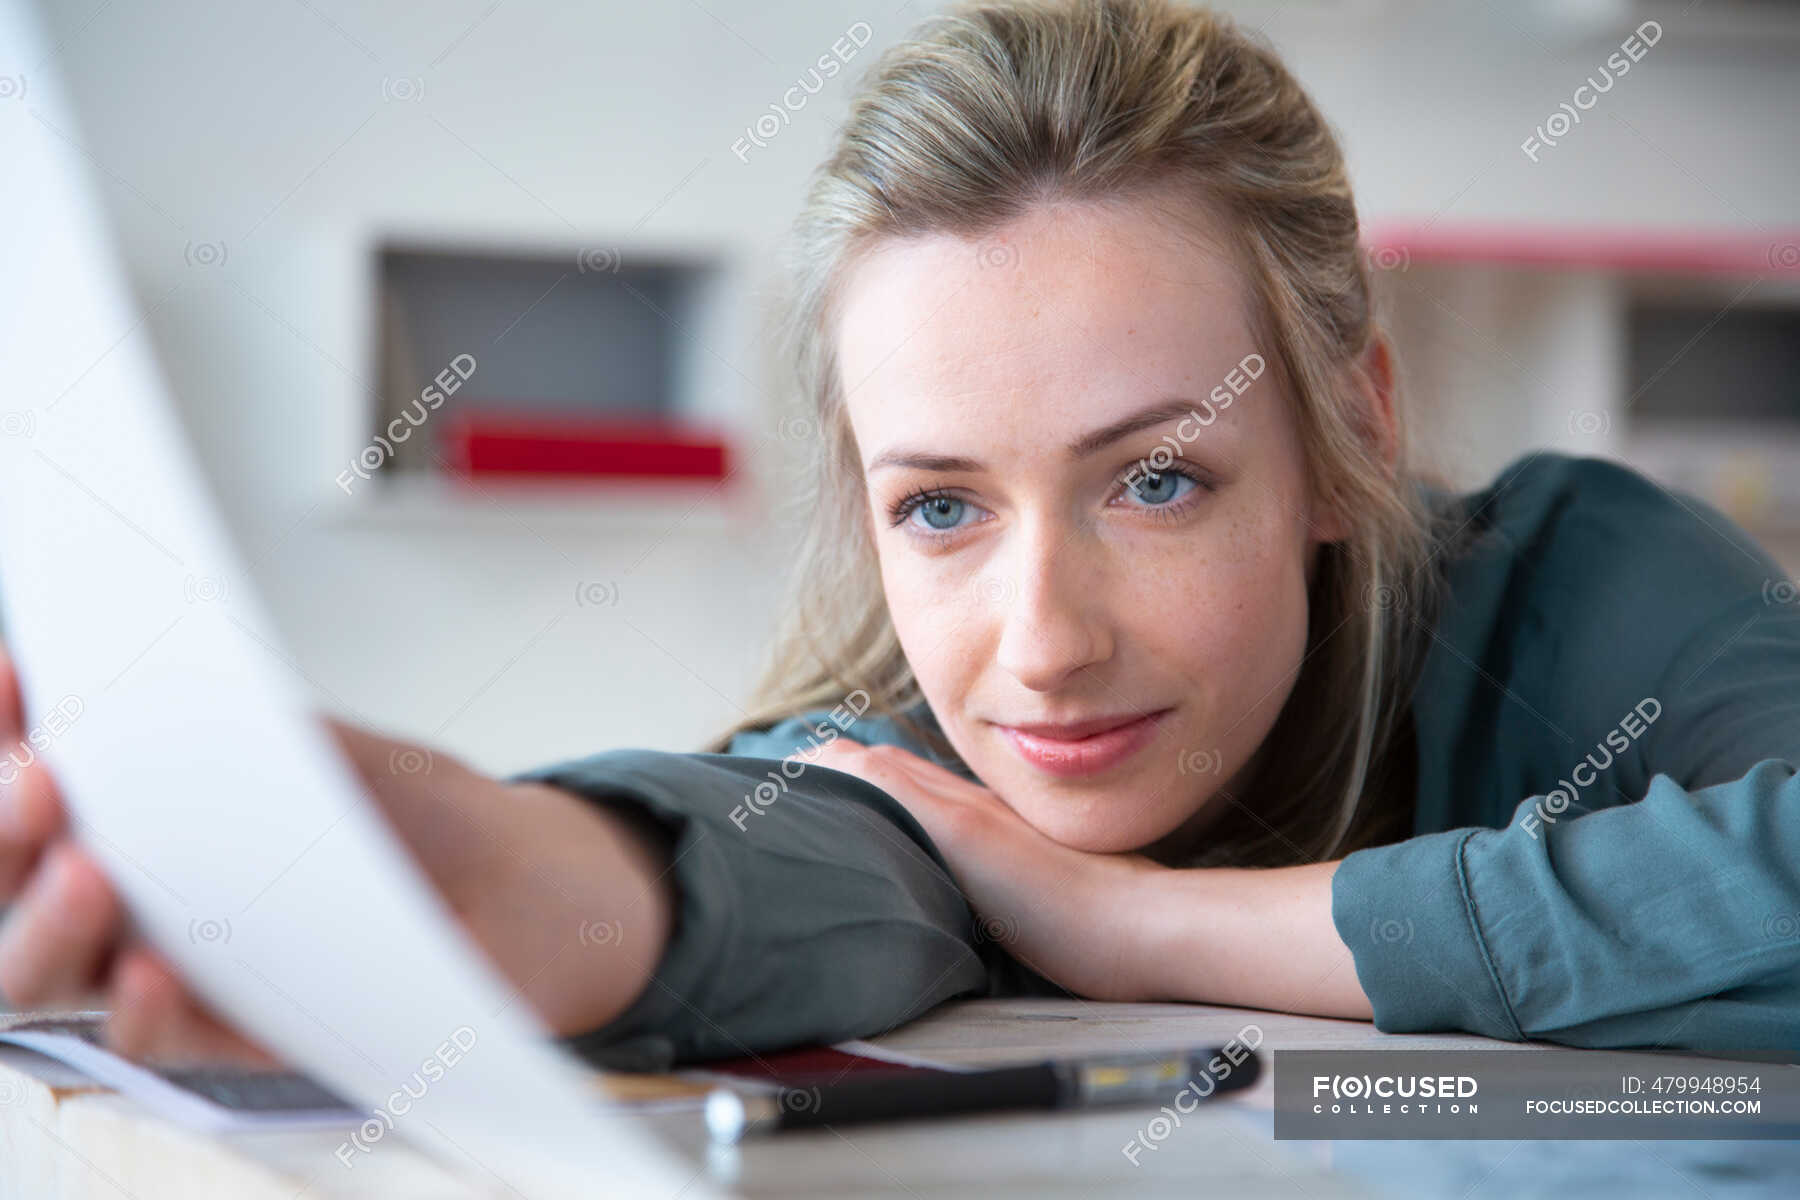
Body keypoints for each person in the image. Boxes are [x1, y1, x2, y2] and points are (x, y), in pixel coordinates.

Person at [3, 0, 1798, 1072]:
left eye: (1155, 478)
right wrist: (436, 863)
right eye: (940, 505)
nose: (1042, 645)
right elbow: (720, 870)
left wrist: (1138, 925)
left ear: (1356, 433)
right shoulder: (923, 779)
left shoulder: (1580, 580)